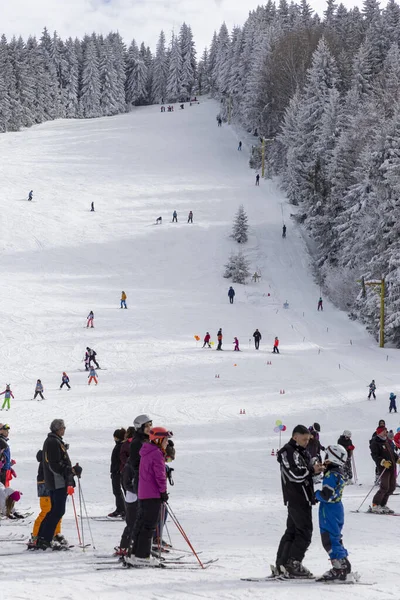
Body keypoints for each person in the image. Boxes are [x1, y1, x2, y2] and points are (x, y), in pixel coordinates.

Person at [274, 424, 325, 578]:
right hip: (296, 497)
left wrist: (317, 469)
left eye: (308, 440)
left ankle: (283, 564)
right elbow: (294, 475)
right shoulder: (288, 452)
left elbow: (306, 474)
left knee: (293, 531)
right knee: (304, 532)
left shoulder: (301, 451)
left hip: (303, 496)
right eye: (304, 439)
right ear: (295, 436)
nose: (306, 442)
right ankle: (293, 563)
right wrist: (311, 470)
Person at [125, 427, 172, 568]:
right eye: (165, 440)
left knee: (141, 523)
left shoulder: (147, 451)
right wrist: (163, 492)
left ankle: (135, 553)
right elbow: (160, 476)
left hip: (144, 493)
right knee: (149, 525)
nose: (166, 443)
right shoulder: (156, 454)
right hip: (152, 494)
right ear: (159, 440)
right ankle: (142, 556)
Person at [34, 419, 82, 550]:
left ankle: (42, 537)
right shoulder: (53, 442)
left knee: (54, 510)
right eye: (63, 428)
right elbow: (54, 464)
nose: (64, 430)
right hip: (57, 482)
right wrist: (69, 470)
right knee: (58, 510)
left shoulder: (54, 440)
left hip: (56, 481)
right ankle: (45, 538)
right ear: (58, 429)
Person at [315, 445, 352, 582]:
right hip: (337, 508)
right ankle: (344, 564)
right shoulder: (339, 472)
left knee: (329, 539)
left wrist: (315, 495)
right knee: (335, 537)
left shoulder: (331, 475)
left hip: (329, 510)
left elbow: (327, 495)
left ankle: (339, 569)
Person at [117, 415, 152, 556]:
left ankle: (137, 546)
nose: (150, 428)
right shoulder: (137, 442)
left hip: (140, 484)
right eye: (147, 426)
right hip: (132, 484)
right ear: (140, 427)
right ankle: (125, 546)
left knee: (141, 518)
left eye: (151, 425)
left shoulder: (146, 440)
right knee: (133, 519)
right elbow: (136, 464)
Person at [30, 450, 68, 547]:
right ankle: (36, 535)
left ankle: (56, 533)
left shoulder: (53, 458)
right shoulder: (47, 459)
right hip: (45, 486)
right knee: (46, 511)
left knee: (56, 511)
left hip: (54, 486)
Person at [369, 425, 399, 513]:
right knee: (384, 487)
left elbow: (391, 453)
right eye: (384, 431)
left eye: (386, 430)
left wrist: (397, 459)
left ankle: (382, 504)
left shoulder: (386, 441)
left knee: (392, 487)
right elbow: (374, 455)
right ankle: (375, 504)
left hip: (391, 467)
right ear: (380, 432)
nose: (386, 432)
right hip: (384, 468)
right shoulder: (375, 442)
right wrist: (382, 462)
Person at [108, 429, 126, 518]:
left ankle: (122, 509)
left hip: (118, 472)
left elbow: (119, 460)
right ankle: (121, 508)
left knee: (117, 491)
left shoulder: (120, 446)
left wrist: (117, 470)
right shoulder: (120, 445)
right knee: (117, 491)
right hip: (117, 471)